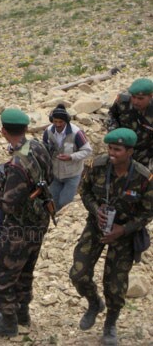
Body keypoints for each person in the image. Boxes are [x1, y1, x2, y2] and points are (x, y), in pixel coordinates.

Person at [69, 128, 152, 346]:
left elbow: (147, 212)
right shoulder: (98, 166)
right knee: (78, 273)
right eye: (110, 148)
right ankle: (94, 303)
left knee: (115, 285)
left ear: (130, 151)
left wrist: (123, 230)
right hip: (96, 227)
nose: (112, 153)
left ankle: (110, 324)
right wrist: (96, 211)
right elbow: (84, 192)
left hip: (124, 235)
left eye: (117, 149)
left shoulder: (143, 178)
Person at [0, 108, 53, 337]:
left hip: (20, 227)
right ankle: (22, 314)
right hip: (40, 219)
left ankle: (7, 322)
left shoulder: (18, 164)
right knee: (25, 270)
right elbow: (47, 177)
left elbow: (7, 204)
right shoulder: (38, 147)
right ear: (26, 128)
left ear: (3, 131)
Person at [43, 104, 92, 211]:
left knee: (65, 203)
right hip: (55, 175)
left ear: (66, 121)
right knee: (53, 203)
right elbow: (44, 148)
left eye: (60, 122)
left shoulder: (76, 133)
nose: (58, 124)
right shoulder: (48, 132)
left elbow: (88, 151)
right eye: (55, 122)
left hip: (72, 175)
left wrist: (71, 157)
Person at [107, 78, 152, 170]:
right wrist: (114, 133)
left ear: (150, 96)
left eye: (140, 98)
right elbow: (112, 116)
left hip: (146, 151)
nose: (135, 101)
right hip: (122, 148)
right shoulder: (122, 101)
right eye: (133, 97)